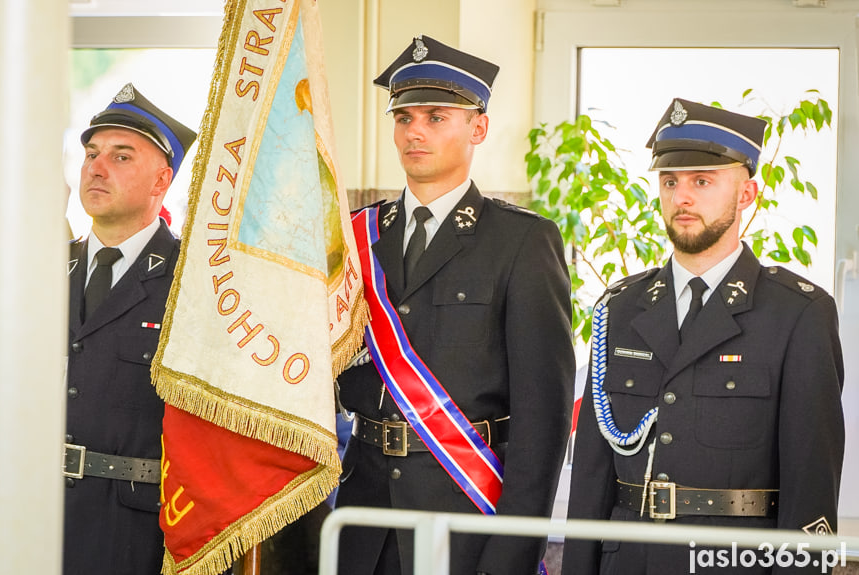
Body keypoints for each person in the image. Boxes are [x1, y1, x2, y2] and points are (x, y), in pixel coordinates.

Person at [562, 98, 845, 575]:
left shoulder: (798, 313)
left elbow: (811, 484)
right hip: (627, 561)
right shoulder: (620, 306)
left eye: (702, 181)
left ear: (747, 194)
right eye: (669, 181)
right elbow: (591, 477)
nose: (681, 197)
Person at [335, 35, 576, 575]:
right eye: (403, 116)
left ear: (478, 128)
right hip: (362, 517)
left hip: (466, 511)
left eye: (436, 116)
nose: (414, 130)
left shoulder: (521, 242)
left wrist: (515, 547)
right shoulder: (356, 237)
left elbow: (545, 414)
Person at [63, 83, 196, 575]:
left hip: (135, 526)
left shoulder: (193, 280)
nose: (97, 167)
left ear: (161, 181)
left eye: (121, 157)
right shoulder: (46, 270)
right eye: (92, 154)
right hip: (36, 512)